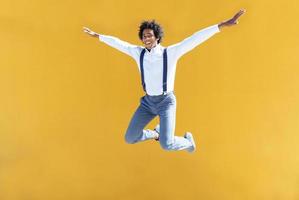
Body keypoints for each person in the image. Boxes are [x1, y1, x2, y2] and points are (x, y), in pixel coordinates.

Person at [83, 9, 246, 153]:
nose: (146, 38)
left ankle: (188, 142)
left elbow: (194, 39)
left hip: (166, 102)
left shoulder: (170, 53)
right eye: (144, 36)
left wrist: (221, 25)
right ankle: (155, 133)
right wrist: (98, 36)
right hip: (147, 103)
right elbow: (119, 43)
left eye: (150, 35)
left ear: (157, 37)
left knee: (167, 145)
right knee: (130, 137)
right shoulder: (138, 53)